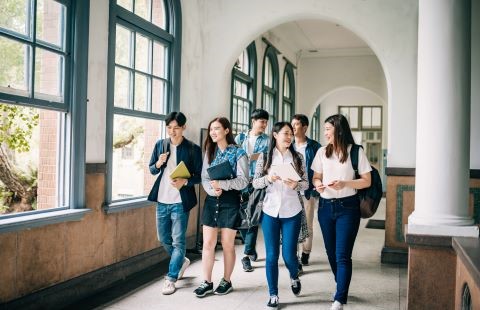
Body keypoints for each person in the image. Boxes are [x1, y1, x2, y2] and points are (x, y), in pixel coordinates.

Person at [311, 114, 372, 310]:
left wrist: (345, 183)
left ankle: (339, 298)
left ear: (338, 129)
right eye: (325, 129)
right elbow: (316, 177)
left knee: (342, 255)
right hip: (325, 207)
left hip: (348, 207)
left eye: (328, 129)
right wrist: (319, 184)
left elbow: (366, 180)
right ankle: (341, 285)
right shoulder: (322, 152)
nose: (325, 133)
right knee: (330, 252)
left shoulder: (356, 151)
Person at [252, 122, 308, 309]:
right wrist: (268, 178)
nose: (289, 137)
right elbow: (255, 183)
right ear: (275, 135)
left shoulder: (298, 157)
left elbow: (306, 184)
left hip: (292, 211)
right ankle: (273, 294)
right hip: (270, 210)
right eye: (285, 133)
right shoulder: (265, 157)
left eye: (291, 134)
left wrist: (296, 185)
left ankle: (294, 275)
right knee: (271, 256)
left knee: (289, 256)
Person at [147, 112, 203, 295]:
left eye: (176, 128)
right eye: (169, 127)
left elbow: (200, 176)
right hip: (162, 200)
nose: (172, 131)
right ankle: (181, 261)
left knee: (178, 241)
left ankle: (171, 278)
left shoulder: (193, 149)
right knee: (163, 238)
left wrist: (184, 182)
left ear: (183, 128)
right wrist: (158, 163)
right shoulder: (160, 145)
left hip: (180, 201)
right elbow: (152, 170)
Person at [193, 117, 249, 297]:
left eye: (217, 128)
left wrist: (222, 185)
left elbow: (243, 181)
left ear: (226, 130)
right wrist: (211, 189)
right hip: (212, 200)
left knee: (227, 245)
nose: (213, 132)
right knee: (208, 244)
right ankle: (207, 282)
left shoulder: (239, 153)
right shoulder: (210, 151)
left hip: (230, 201)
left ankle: (226, 280)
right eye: (211, 130)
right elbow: (204, 177)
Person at [234, 108, 270, 272]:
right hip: (239, 181)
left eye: (265, 122)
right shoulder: (240, 138)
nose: (264, 125)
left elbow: (267, 160)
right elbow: (234, 157)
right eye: (261, 121)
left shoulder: (267, 141)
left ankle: (247, 254)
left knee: (253, 218)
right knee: (241, 218)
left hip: (256, 183)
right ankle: (250, 247)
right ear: (253, 121)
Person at [291, 114, 321, 271]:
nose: (293, 127)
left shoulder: (315, 147)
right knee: (293, 225)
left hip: (307, 192)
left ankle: (306, 252)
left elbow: (319, 169)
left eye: (296, 124)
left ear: (304, 127)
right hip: (290, 192)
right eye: (292, 124)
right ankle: (294, 258)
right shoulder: (289, 145)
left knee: (307, 225)